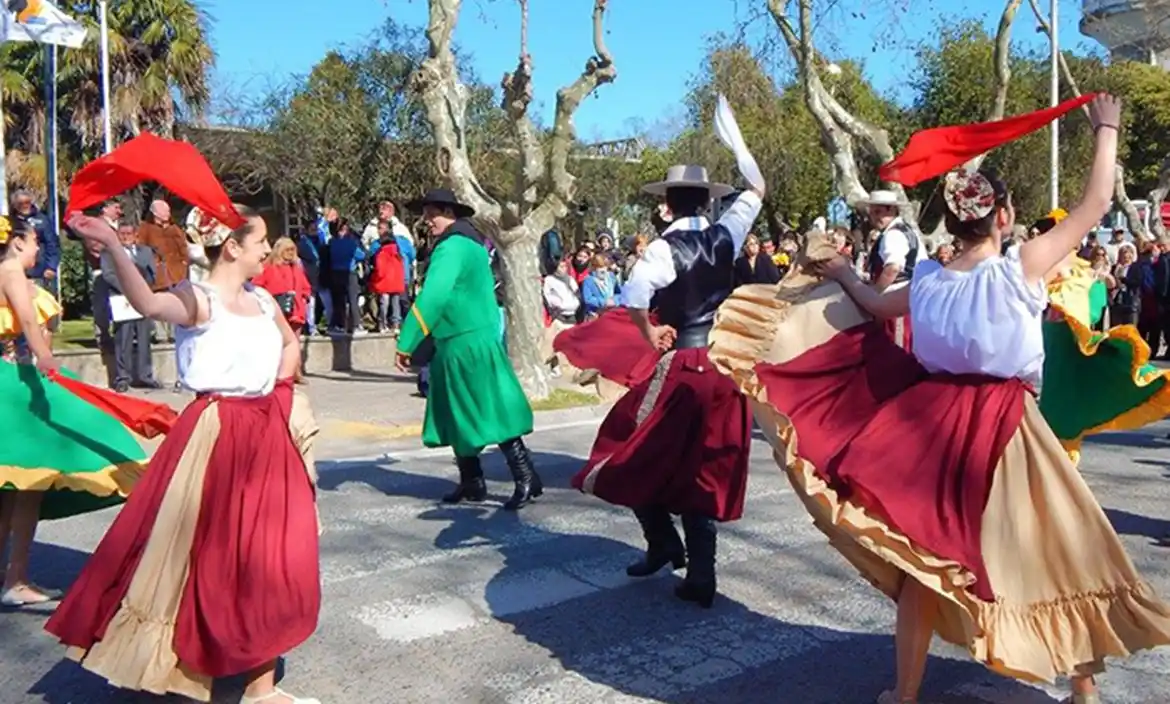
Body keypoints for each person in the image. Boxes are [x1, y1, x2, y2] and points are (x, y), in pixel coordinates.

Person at [707, 94, 1170, 704]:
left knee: (924, 558)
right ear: (1001, 218)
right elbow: (1094, 205)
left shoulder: (927, 281)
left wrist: (844, 274)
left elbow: (872, 306)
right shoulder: (1017, 270)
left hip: (925, 427)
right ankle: (1082, 685)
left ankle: (906, 692)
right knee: (1063, 548)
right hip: (1006, 428)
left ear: (953, 222)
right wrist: (1106, 130)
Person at [48, 203, 323, 704]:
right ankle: (197, 669)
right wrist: (112, 245)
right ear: (233, 246)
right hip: (217, 436)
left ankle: (261, 688)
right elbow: (149, 306)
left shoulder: (263, 300)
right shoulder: (199, 298)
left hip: (269, 433)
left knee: (273, 554)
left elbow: (289, 345)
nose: (267, 249)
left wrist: (282, 386)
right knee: (211, 560)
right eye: (260, 240)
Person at [560, 165, 764, 609]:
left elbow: (634, 296)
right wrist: (743, 158)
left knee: (628, 449)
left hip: (685, 363)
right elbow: (757, 190)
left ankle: (666, 543)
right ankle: (697, 570)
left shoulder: (662, 249)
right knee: (702, 465)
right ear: (707, 201)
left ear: (668, 204)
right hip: (724, 364)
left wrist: (650, 334)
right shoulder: (727, 233)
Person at [0, 215, 151, 608]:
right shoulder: (11, 271)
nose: (37, 251)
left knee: (14, 485)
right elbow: (29, 320)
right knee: (30, 479)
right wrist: (47, 356)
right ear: (17, 242)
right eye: (34, 242)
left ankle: (12, 576)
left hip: (13, 379)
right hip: (19, 382)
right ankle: (14, 577)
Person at [394, 189, 539, 511]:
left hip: (465, 342)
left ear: (449, 212)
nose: (426, 220)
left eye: (432, 213)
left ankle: (525, 475)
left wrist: (406, 342)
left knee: (489, 409)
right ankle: (472, 481)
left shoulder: (452, 247)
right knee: (457, 412)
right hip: (459, 340)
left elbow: (434, 296)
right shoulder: (469, 244)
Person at [862, 189, 926, 349]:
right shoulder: (905, 231)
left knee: (896, 350)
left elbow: (893, 268)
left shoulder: (893, 235)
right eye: (872, 212)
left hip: (895, 302)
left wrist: (872, 296)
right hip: (908, 300)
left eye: (878, 212)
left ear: (891, 210)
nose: (874, 217)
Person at [102, 222, 161, 392]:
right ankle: (122, 378)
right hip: (122, 300)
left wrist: (142, 289)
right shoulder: (109, 253)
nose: (126, 236)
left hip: (143, 299)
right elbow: (109, 275)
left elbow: (152, 274)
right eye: (122, 233)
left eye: (129, 233)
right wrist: (129, 290)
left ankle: (145, 376)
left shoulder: (145, 251)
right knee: (123, 339)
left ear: (136, 235)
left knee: (144, 339)